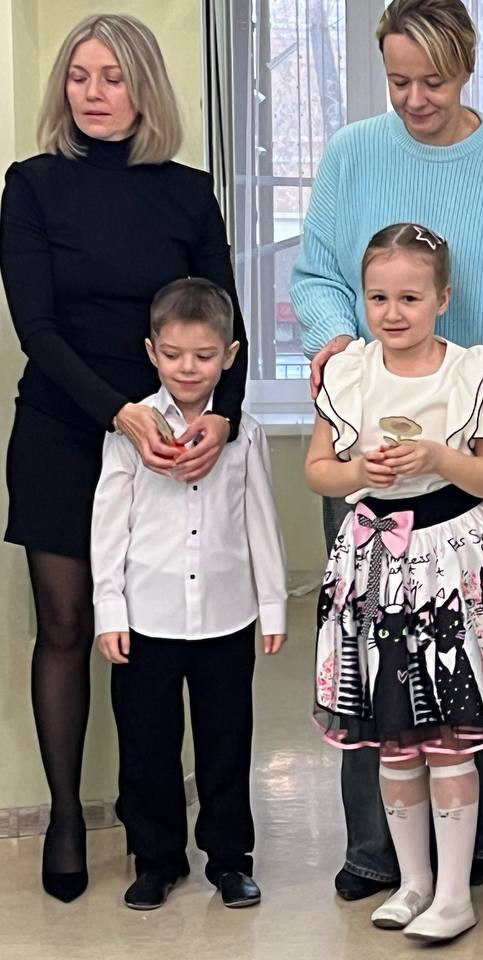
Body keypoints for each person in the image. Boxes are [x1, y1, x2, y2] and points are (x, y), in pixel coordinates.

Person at [291, 0, 483, 898]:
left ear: (468, 67)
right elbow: (316, 277)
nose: (416, 99)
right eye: (398, 81)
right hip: (374, 435)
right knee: (373, 639)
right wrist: (336, 341)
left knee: (482, 641)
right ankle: (377, 852)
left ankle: (479, 844)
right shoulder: (353, 154)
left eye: (435, 81)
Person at [0, 14, 247, 902]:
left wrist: (223, 419)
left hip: (173, 438)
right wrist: (117, 413)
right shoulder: (31, 185)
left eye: (112, 76)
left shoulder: (188, 192)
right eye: (79, 76)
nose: (93, 93)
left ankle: (167, 839)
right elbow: (37, 326)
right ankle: (68, 816)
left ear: (144, 88)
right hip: (65, 432)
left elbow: (226, 320)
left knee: (164, 636)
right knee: (67, 626)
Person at [306, 223, 483, 943]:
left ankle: (453, 891)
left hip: (452, 564)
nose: (392, 312)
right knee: (395, 738)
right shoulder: (348, 372)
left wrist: (442, 458)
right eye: (378, 297)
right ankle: (412, 881)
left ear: (443, 299)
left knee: (449, 735)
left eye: (410, 297)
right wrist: (359, 472)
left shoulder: (469, 374)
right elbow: (319, 470)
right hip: (375, 566)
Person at [90, 279, 285, 911]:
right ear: (152, 351)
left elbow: (262, 521)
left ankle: (230, 861)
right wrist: (109, 610)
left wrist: (272, 606)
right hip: (147, 616)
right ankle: (157, 860)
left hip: (227, 617)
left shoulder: (244, 434)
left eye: (203, 356)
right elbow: (108, 527)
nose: (188, 368)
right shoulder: (129, 431)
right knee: (147, 746)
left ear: (229, 356)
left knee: (226, 742)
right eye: (173, 354)